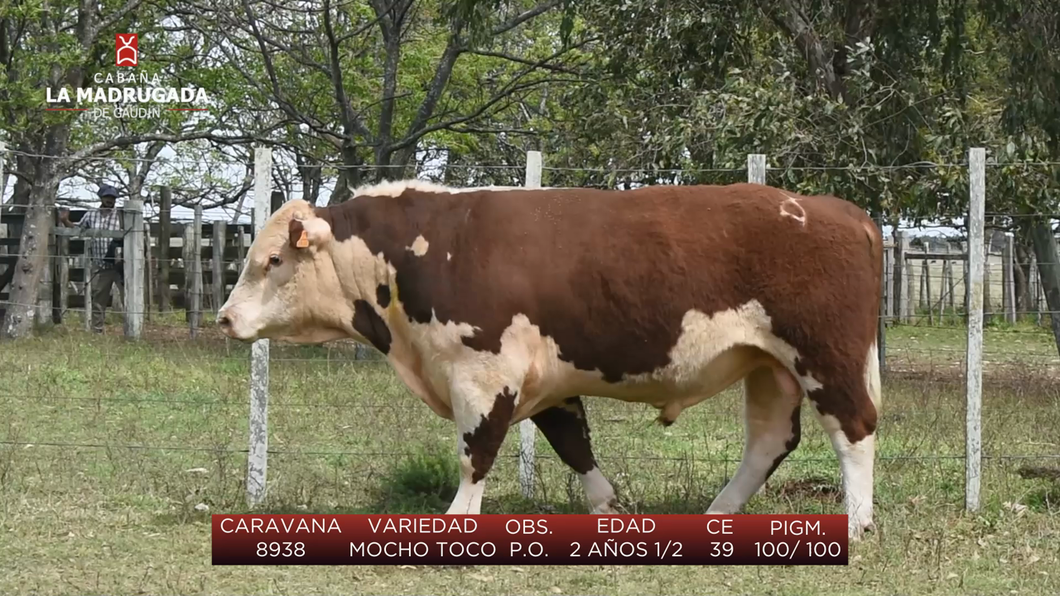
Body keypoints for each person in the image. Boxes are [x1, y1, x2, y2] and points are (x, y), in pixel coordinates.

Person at [59, 184, 125, 333]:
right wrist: (65, 221)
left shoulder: (122, 214)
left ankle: (131, 331)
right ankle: (97, 330)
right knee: (98, 299)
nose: (110, 200)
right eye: (107, 197)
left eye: (113, 198)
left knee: (127, 299)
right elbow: (78, 230)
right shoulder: (91, 214)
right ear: (101, 198)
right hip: (101, 264)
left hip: (121, 265)